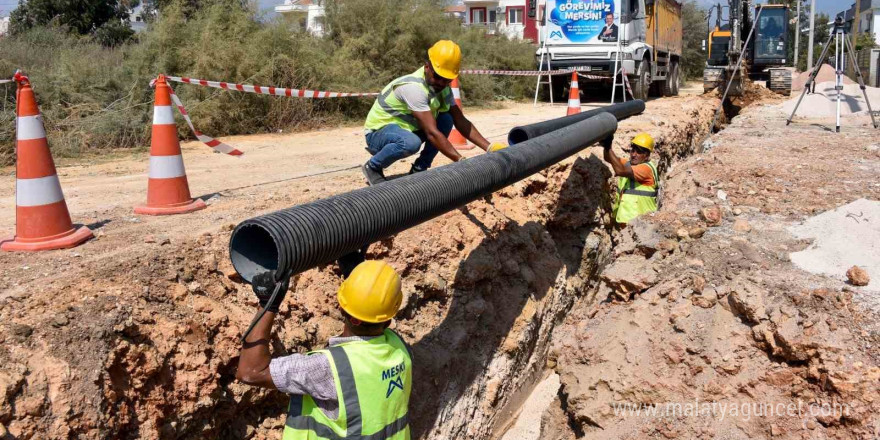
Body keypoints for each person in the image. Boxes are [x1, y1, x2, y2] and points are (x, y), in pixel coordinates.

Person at [236, 261, 412, 439]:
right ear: (390, 317)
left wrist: (268, 304)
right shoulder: (399, 347)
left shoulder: (330, 367)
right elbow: (370, 311)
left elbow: (251, 372)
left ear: (341, 306)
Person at [361, 40, 507, 185]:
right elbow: (432, 133)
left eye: (447, 80)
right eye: (438, 77)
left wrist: (490, 147)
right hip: (378, 133)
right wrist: (460, 161)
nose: (442, 83)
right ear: (427, 67)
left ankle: (420, 168)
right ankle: (373, 167)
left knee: (446, 119)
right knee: (411, 143)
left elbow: (460, 120)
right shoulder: (414, 88)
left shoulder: (442, 88)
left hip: (407, 130)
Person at [602, 132, 659, 225]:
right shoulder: (631, 164)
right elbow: (609, 158)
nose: (634, 154)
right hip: (629, 221)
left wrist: (608, 148)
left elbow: (620, 171)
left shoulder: (646, 169)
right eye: (633, 150)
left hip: (641, 224)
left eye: (639, 152)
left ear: (647, 155)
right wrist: (607, 145)